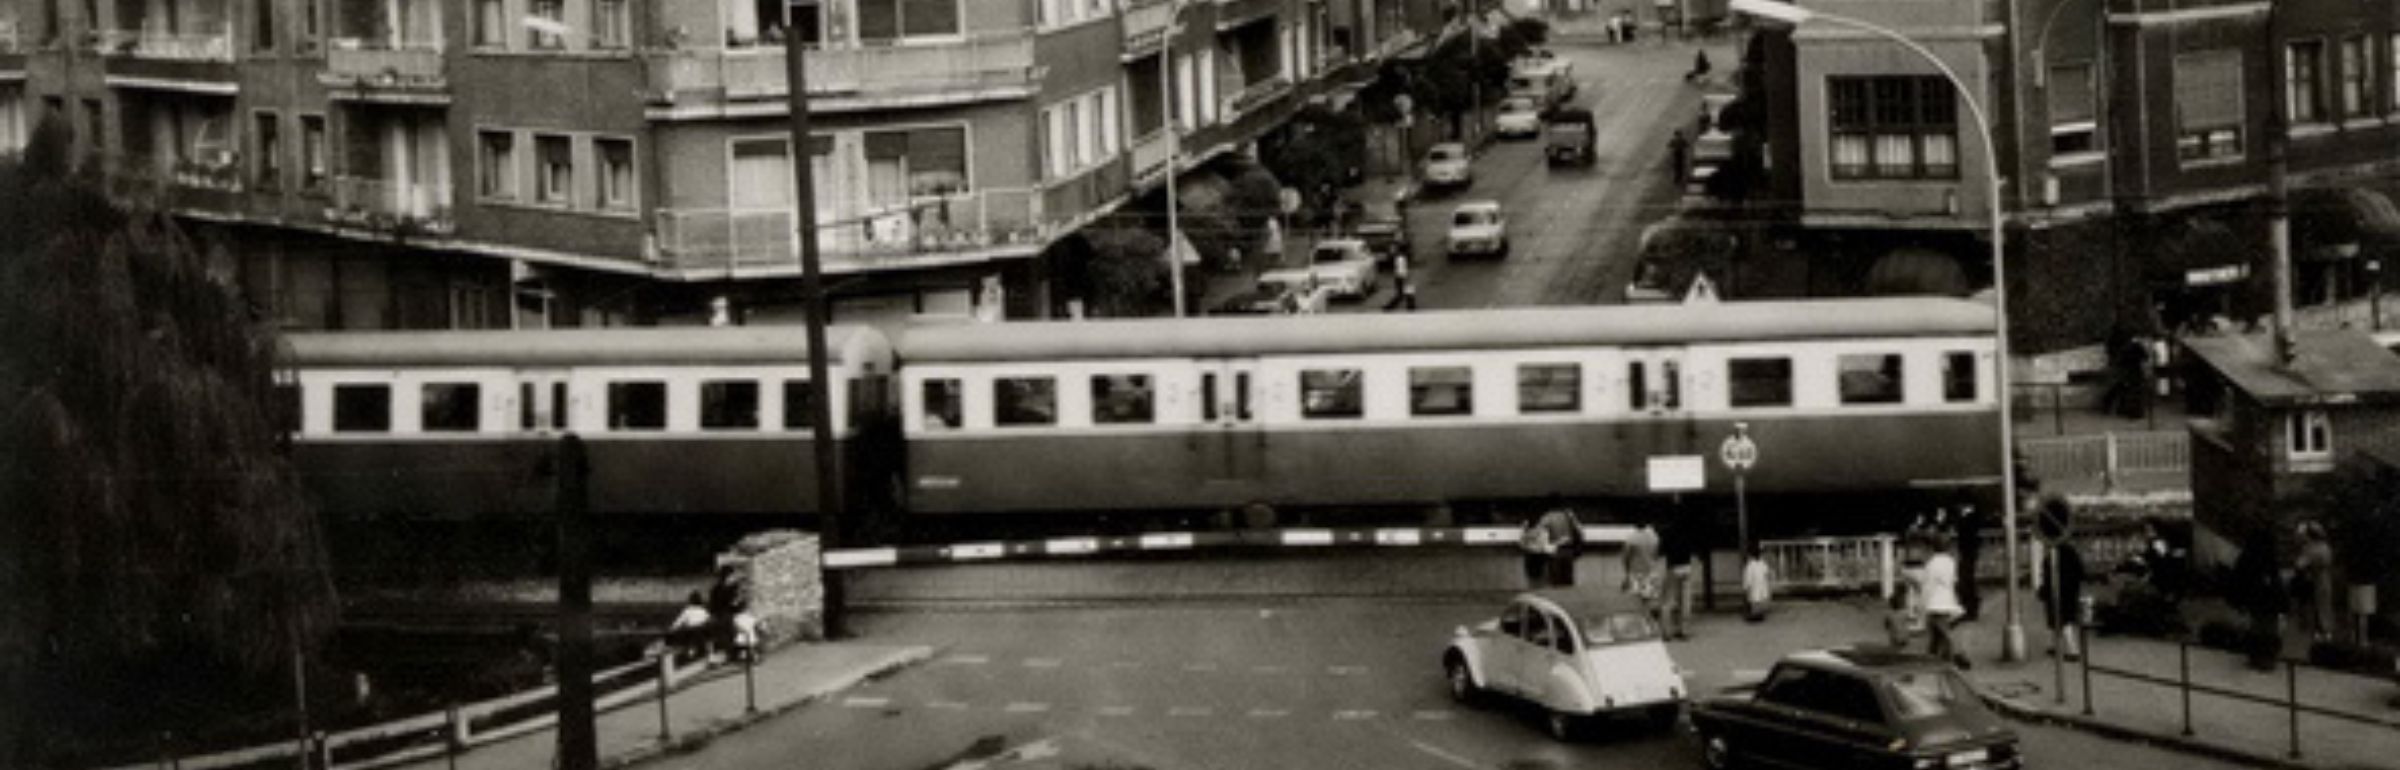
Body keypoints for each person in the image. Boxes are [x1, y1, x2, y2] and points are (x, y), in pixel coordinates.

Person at [2036, 498, 2086, 661]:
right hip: (2067, 590)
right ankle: (2059, 647)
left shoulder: (2054, 552)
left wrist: (2044, 589)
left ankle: (2072, 651)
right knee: (2062, 621)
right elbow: (2080, 571)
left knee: (2062, 622)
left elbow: (2049, 573)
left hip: (2058, 591)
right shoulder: (2068, 550)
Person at [1922, 533, 1968, 669]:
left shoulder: (1931, 564)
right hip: (1947, 601)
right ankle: (1936, 659)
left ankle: (1951, 658)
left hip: (1934, 603)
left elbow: (1928, 586)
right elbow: (1953, 582)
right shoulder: (1950, 562)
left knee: (1942, 634)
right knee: (1939, 634)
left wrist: (1923, 604)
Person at [2294, 521, 2335, 642]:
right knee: (2325, 605)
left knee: (2317, 606)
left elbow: (2299, 565)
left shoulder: (2311, 549)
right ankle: (2327, 632)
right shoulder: (2325, 547)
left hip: (2314, 580)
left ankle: (2318, 632)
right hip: (2326, 579)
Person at [1660, 518, 1699, 640]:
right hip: (1687, 568)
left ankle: (1667, 633)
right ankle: (1684, 632)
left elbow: (1661, 551)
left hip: (1673, 568)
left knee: (1667, 601)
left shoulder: (1667, 532)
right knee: (1685, 601)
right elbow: (1694, 551)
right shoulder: (1689, 532)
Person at [1536, 499, 1586, 587]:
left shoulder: (1547, 517)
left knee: (1555, 581)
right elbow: (1580, 532)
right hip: (1568, 550)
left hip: (1554, 551)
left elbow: (1540, 533)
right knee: (1568, 580)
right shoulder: (1568, 516)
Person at [1622, 521, 1664, 617]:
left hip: (1637, 572)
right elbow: (1657, 554)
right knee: (1650, 597)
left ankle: (1645, 621)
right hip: (1651, 571)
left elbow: (1625, 557)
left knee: (1640, 601)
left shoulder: (1632, 538)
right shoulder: (1654, 536)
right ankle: (1654, 616)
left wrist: (1627, 572)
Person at [1953, 504, 1985, 622]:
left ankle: (1969, 608)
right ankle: (1971, 608)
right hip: (1970, 551)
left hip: (1967, 551)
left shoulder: (1967, 520)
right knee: (1968, 579)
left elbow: (1962, 529)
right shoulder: (1973, 519)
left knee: (1966, 579)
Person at [667, 591, 712, 661]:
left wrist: (671, 629)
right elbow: (709, 621)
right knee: (707, 637)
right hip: (702, 634)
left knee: (688, 637)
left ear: (690, 601)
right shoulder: (704, 611)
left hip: (691, 633)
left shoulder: (687, 611)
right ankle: (709, 654)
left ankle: (690, 653)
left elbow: (678, 623)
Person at [1741, 545, 1773, 623]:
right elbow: (1767, 573)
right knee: (1759, 599)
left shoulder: (1750, 565)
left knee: (1755, 600)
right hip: (1761, 585)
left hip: (1754, 586)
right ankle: (1759, 614)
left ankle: (1755, 614)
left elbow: (1748, 577)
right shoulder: (1762, 564)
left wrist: (1746, 587)